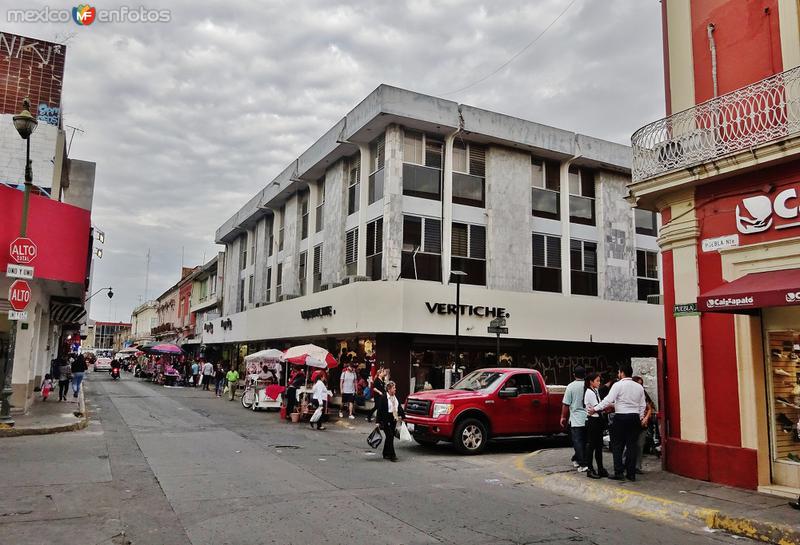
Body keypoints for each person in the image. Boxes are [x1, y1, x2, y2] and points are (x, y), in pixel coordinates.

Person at [589, 363, 646, 481]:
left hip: (621, 417)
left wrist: (595, 409)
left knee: (617, 445)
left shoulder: (618, 385)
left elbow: (607, 400)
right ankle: (631, 474)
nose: (618, 374)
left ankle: (619, 472)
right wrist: (640, 417)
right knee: (631, 446)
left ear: (622, 372)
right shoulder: (639, 387)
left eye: (619, 372)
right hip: (634, 418)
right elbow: (642, 405)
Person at [560, 366, 589, 473]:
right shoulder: (589, 385)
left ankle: (582, 463)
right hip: (588, 418)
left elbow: (566, 404)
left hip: (576, 419)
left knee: (578, 442)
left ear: (574, 375)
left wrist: (563, 417)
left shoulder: (570, 387)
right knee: (585, 442)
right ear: (585, 374)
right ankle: (577, 459)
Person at [583, 372, 608, 479]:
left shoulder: (596, 391)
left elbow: (599, 407)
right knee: (591, 445)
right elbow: (597, 407)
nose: (599, 382)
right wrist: (601, 408)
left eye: (599, 380)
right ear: (591, 382)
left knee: (598, 446)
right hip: (592, 421)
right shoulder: (589, 392)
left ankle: (600, 468)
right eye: (597, 381)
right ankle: (590, 469)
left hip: (598, 420)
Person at [631, 376, 655, 474]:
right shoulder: (630, 394)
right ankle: (626, 463)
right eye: (638, 384)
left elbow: (650, 407)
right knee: (630, 444)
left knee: (640, 445)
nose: (640, 386)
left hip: (642, 423)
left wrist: (645, 418)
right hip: (633, 421)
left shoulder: (644, 394)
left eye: (641, 384)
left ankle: (637, 466)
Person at [375, 380, 405, 462]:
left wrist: (403, 417)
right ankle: (392, 455)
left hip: (394, 419)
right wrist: (377, 422)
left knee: (389, 437)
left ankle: (385, 453)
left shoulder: (395, 397)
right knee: (390, 436)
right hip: (386, 419)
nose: (395, 389)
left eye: (395, 388)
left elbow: (399, 408)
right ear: (389, 389)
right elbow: (379, 410)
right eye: (393, 388)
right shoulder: (383, 398)